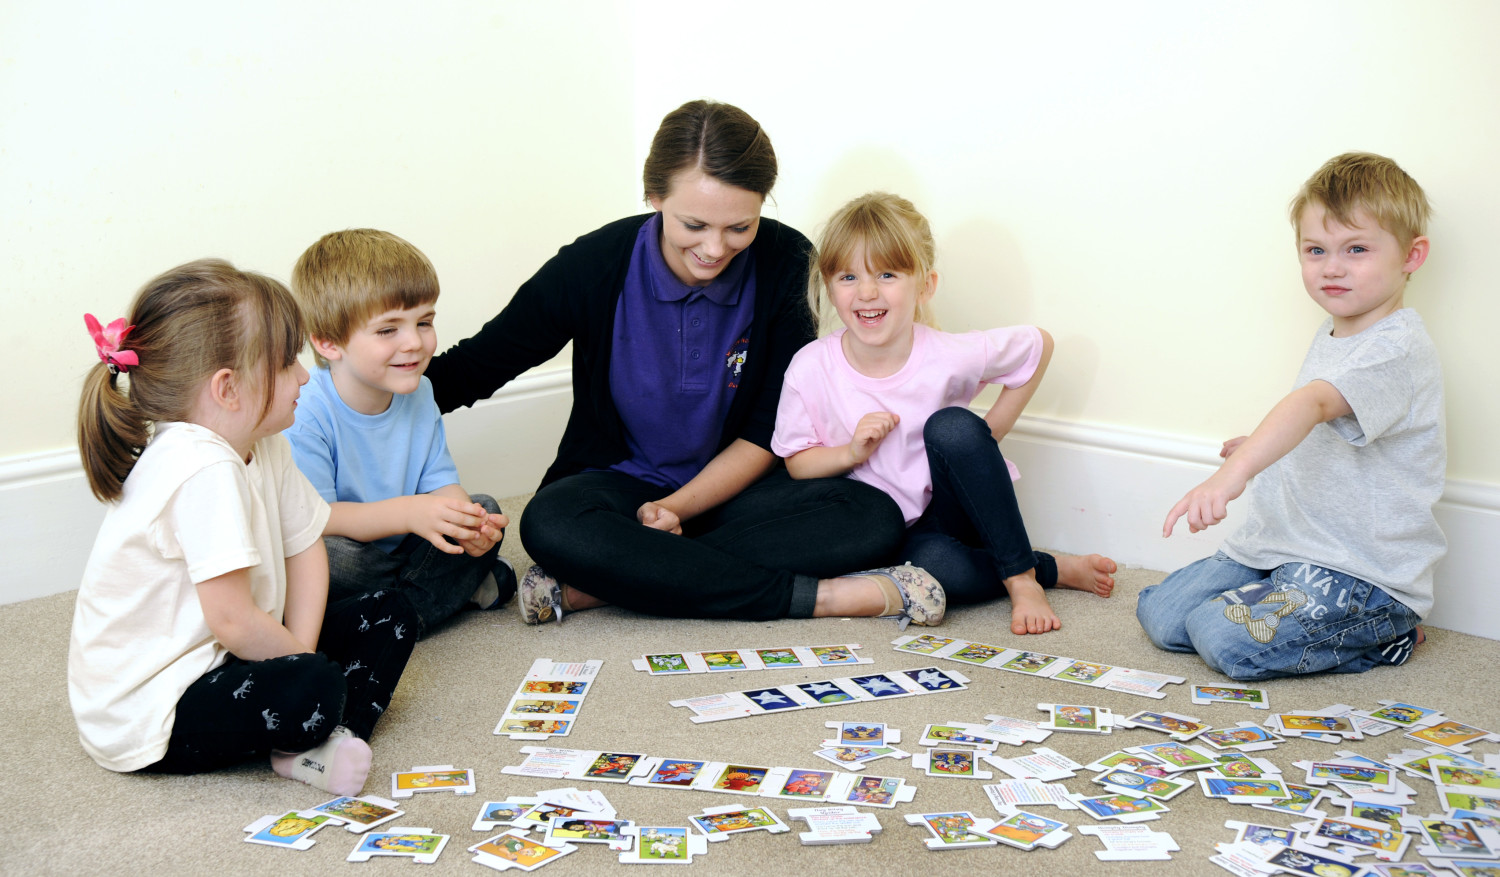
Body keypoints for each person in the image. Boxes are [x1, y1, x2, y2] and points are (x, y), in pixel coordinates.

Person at [424, 99, 935, 625]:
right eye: (694, 224)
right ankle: (824, 599)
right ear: (654, 196)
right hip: (618, 486)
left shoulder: (787, 262)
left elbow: (766, 429)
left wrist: (678, 511)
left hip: (738, 493)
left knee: (872, 517)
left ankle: (610, 584)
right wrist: (356, 389)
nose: (715, 248)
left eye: (740, 227)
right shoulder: (592, 265)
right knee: (550, 524)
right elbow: (477, 367)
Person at [69, 260, 415, 796]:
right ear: (228, 388)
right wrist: (306, 668)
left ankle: (321, 741)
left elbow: (306, 549)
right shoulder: (200, 466)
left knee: (389, 613)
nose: (305, 375)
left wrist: (301, 653)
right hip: (154, 708)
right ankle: (311, 733)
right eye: (286, 363)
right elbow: (231, 619)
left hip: (234, 652)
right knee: (314, 683)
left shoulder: (265, 440)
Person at [1138, 152, 1443, 680]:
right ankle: (1277, 594)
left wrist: (1234, 475)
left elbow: (1312, 404)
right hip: (1284, 543)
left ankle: (1389, 632)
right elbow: (1321, 423)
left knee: (1225, 640)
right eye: (1316, 250)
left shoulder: (1397, 347)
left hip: (1359, 570)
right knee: (1163, 615)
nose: (1332, 266)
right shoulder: (1334, 331)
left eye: (1357, 249)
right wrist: (1261, 446)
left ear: (1411, 256)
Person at [772, 193, 1117, 635]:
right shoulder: (810, 366)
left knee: (954, 426)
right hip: (887, 533)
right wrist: (850, 451)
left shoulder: (948, 354)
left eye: (888, 273)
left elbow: (1039, 344)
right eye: (848, 276)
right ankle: (1051, 568)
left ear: (925, 285)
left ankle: (1022, 578)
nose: (867, 292)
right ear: (828, 284)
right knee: (936, 567)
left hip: (956, 510)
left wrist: (986, 437)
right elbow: (798, 463)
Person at [285, 229, 515, 638]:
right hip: (346, 550)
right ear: (328, 343)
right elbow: (317, 520)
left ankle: (383, 616)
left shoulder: (420, 390)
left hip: (407, 545)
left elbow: (442, 484)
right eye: (388, 330)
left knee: (482, 505)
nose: (414, 342)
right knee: (322, 557)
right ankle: (428, 601)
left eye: (424, 322)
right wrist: (411, 511)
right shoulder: (305, 409)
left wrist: (469, 524)